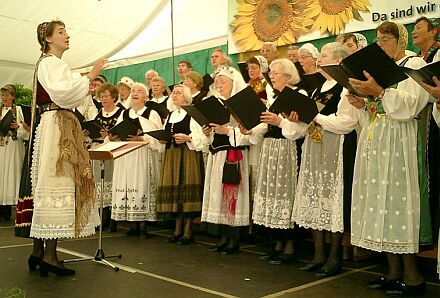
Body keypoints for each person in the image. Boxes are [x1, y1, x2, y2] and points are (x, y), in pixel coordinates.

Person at [348, 21, 429, 296]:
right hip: (376, 136)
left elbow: (411, 106)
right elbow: (375, 110)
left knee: (397, 202)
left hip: (400, 140)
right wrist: (363, 102)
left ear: (400, 40)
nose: (380, 44)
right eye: (378, 40)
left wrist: (380, 92)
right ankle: (392, 271)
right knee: (378, 203)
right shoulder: (378, 69)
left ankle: (413, 275)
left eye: (385, 39)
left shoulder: (413, 64)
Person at [29, 20, 105, 276]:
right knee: (58, 180)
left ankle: (40, 251)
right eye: (61, 32)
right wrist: (91, 76)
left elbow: (70, 93)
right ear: (48, 39)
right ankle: (49, 255)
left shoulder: (54, 64)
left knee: (53, 181)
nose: (67, 35)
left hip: (57, 122)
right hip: (56, 125)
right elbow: (63, 93)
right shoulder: (51, 63)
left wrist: (82, 83)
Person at [292, 43, 359, 277]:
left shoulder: (345, 87)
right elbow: (309, 120)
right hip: (315, 148)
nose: (319, 59)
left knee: (333, 202)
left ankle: (334, 257)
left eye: (324, 56)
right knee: (315, 200)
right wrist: (296, 117)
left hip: (336, 149)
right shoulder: (319, 88)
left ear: (339, 61)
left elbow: (347, 122)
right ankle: (318, 254)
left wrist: (315, 116)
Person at [241, 59, 308, 264]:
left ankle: (290, 246)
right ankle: (277, 243)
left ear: (288, 75)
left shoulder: (299, 95)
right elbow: (265, 122)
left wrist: (279, 121)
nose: (271, 76)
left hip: (288, 149)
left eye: (276, 73)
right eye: (271, 73)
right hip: (271, 148)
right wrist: (251, 130)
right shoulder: (273, 96)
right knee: (272, 194)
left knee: (286, 195)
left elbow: (300, 128)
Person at [201, 66, 251, 254]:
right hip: (218, 154)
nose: (219, 86)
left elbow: (249, 133)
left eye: (223, 82)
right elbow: (212, 133)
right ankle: (223, 236)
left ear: (234, 83)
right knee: (219, 196)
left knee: (232, 196)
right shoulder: (217, 104)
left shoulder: (241, 105)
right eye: (217, 83)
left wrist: (227, 131)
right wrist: (208, 132)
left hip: (233, 155)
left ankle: (233, 239)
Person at [110, 83, 162, 238]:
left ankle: (143, 224)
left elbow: (158, 137)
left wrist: (142, 137)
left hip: (142, 155)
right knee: (128, 185)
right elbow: (116, 131)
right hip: (127, 155)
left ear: (146, 97)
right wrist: (112, 136)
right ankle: (133, 223)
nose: (135, 93)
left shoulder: (151, 113)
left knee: (141, 185)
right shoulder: (124, 114)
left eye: (139, 91)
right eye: (133, 91)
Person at [156, 84, 205, 244]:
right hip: (173, 155)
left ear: (186, 96)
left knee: (186, 190)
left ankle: (187, 231)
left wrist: (188, 138)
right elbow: (166, 132)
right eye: (174, 93)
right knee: (176, 192)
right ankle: (177, 229)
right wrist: (163, 138)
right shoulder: (171, 115)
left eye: (178, 93)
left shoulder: (192, 114)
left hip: (187, 155)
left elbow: (202, 138)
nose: (175, 95)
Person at [412, 17, 440, 252]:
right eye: (412, 29)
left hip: (432, 115)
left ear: (433, 32)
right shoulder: (415, 59)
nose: (414, 32)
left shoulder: (436, 55)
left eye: (419, 28)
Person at [91, 83, 125, 232]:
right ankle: (99, 218)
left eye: (106, 96)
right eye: (101, 96)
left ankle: (111, 220)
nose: (103, 99)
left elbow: (123, 133)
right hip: (98, 150)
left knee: (111, 183)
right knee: (98, 184)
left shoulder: (121, 113)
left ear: (114, 97)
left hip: (113, 151)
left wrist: (110, 136)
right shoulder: (98, 113)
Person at [0, 84, 28, 221]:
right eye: (2, 95)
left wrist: (18, 127)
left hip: (13, 145)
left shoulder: (18, 110)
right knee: (1, 176)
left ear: (13, 96)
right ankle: (1, 210)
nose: (4, 97)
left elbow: (26, 128)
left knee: (13, 175)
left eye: (7, 95)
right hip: (1, 147)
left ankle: (15, 211)